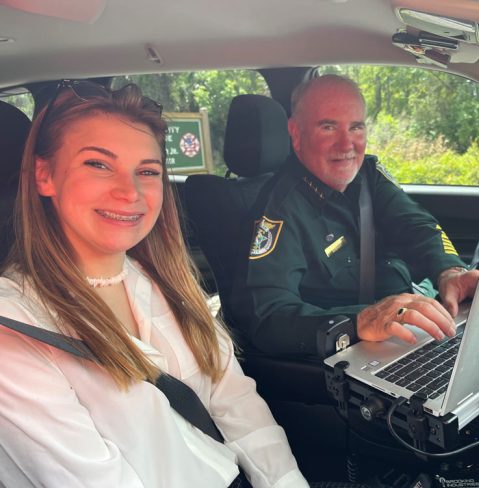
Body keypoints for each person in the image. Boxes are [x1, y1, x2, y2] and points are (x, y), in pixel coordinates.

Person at [0, 82, 309, 487]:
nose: (129, 192)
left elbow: (236, 401)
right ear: (44, 176)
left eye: (147, 171)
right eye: (98, 164)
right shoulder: (16, 327)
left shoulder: (167, 281)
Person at [233, 75, 479, 356]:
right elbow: (267, 317)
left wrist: (450, 271)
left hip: (410, 336)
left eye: (356, 128)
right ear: (296, 133)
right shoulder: (278, 212)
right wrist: (356, 323)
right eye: (328, 127)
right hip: (352, 358)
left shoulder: (368, 177)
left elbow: (417, 226)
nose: (346, 144)